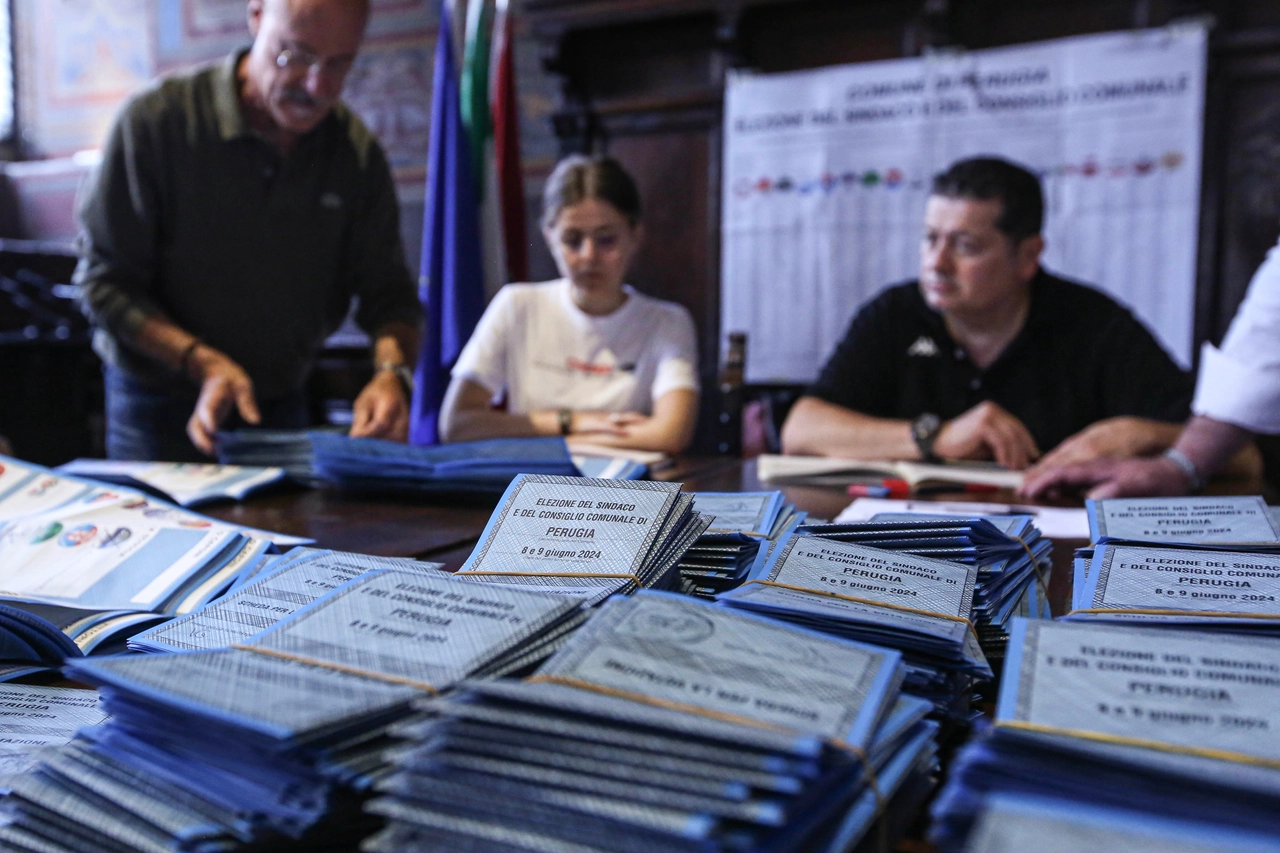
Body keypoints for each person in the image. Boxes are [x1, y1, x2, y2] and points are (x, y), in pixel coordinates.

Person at [77, 0, 422, 462]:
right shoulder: (155, 124)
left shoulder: (354, 155)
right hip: (158, 405)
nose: (317, 86)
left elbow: (391, 297)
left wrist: (392, 374)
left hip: (279, 402)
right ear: (256, 15)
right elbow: (104, 286)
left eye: (339, 64)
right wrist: (204, 363)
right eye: (295, 55)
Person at [780, 156, 1200, 473]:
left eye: (965, 246)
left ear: (1028, 255)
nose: (936, 263)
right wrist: (938, 437)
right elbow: (800, 431)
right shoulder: (896, 315)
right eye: (930, 240)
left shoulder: (1096, 325)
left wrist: (1142, 435)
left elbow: (1239, 455)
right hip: (916, 550)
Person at [439, 155, 699, 455]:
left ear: (635, 235)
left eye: (606, 240)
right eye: (572, 240)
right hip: (534, 483)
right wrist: (570, 423)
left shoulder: (668, 322)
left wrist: (553, 440)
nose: (589, 256)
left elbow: (671, 434)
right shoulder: (516, 304)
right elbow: (456, 424)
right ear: (550, 238)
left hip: (626, 489)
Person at [1021, 234, 1280, 499]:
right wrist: (1178, 467)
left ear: (1029, 254)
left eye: (975, 248)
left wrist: (1169, 454)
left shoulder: (1094, 326)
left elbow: (1247, 456)